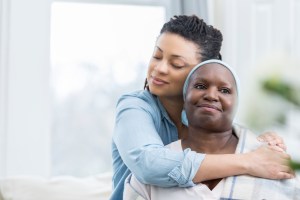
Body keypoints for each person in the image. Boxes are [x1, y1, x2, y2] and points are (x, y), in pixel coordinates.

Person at [111, 15, 291, 200]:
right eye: (157, 56)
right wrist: (249, 161)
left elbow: (234, 134)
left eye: (176, 64)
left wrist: (262, 140)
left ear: (202, 71)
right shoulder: (134, 107)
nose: (160, 68)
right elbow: (148, 165)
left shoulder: (205, 113)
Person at [123, 59, 299, 200]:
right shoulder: (150, 175)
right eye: (200, 86)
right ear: (184, 99)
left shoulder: (272, 161)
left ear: (237, 104)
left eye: (224, 90)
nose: (212, 95)